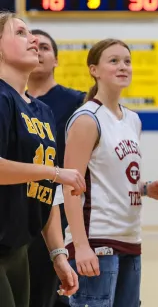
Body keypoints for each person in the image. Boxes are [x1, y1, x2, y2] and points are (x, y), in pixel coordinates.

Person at [62, 38, 158, 307]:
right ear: (94, 70)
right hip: (97, 240)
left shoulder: (132, 119)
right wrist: (81, 246)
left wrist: (145, 188)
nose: (123, 66)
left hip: (130, 238)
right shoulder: (87, 118)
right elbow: (70, 186)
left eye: (127, 61)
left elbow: (111, 177)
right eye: (113, 61)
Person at [0, 12, 84, 307]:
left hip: (19, 249)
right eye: (20, 33)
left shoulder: (43, 111)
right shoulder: (1, 98)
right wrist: (54, 172)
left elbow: (46, 192)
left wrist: (58, 255)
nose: (33, 39)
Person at [25, 29, 86, 307]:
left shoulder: (77, 102)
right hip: (19, 204)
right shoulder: (12, 100)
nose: (38, 52)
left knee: (52, 287)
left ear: (57, 60)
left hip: (58, 206)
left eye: (45, 48)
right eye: (34, 46)